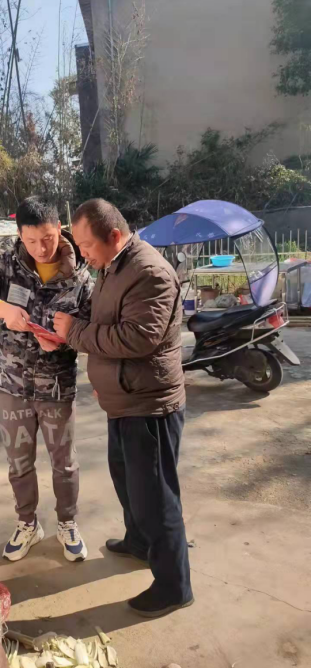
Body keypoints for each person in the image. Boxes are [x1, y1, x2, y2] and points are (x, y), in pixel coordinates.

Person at [53, 198, 193, 618]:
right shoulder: (112, 266)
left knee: (155, 497)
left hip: (149, 405)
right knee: (127, 480)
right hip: (124, 398)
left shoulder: (149, 273)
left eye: (87, 246)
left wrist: (74, 332)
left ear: (114, 235)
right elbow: (106, 322)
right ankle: (139, 541)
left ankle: (174, 586)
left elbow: (136, 339)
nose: (83, 255)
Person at [0, 197, 93, 563]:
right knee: (19, 463)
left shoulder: (80, 277)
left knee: (64, 463)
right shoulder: (6, 266)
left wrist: (67, 339)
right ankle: (27, 524)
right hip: (11, 384)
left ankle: (67, 523)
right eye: (32, 240)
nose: (41, 248)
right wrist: (0, 307)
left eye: (48, 238)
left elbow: (94, 330)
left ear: (59, 229)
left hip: (56, 387)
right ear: (20, 235)